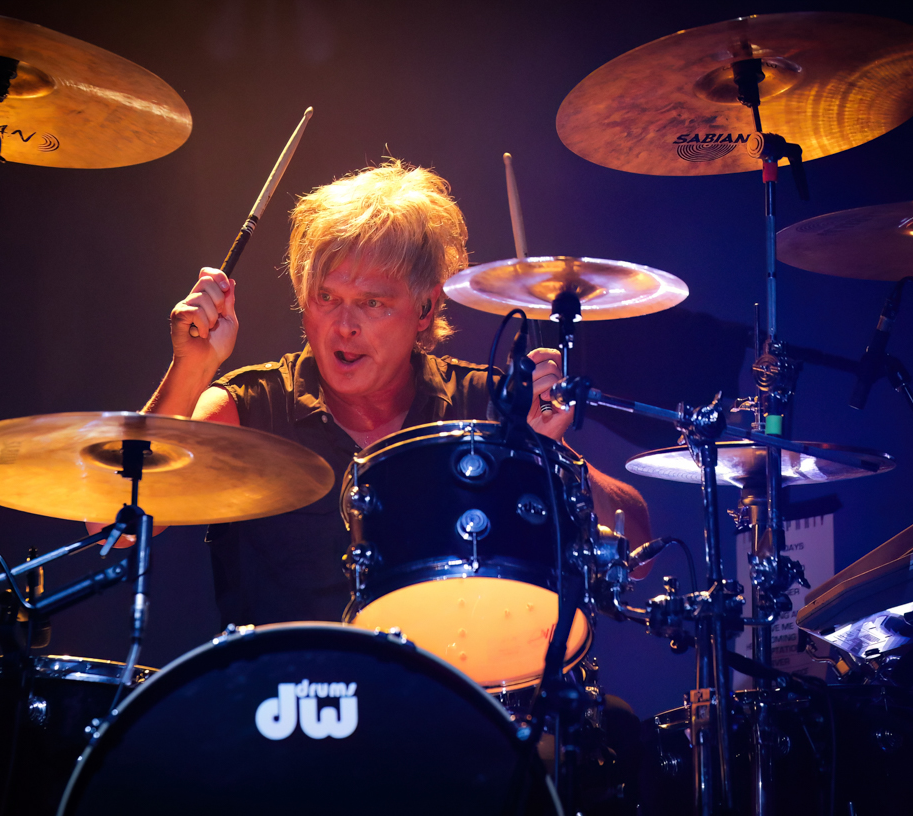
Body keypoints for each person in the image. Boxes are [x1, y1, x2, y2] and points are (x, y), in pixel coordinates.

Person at [143, 159, 651, 627]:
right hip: (282, 691)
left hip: (450, 685)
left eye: (372, 303)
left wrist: (547, 452)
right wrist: (192, 368)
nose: (344, 325)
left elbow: (639, 551)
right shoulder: (249, 406)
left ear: (425, 309)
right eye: (326, 297)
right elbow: (116, 523)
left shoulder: (487, 403)